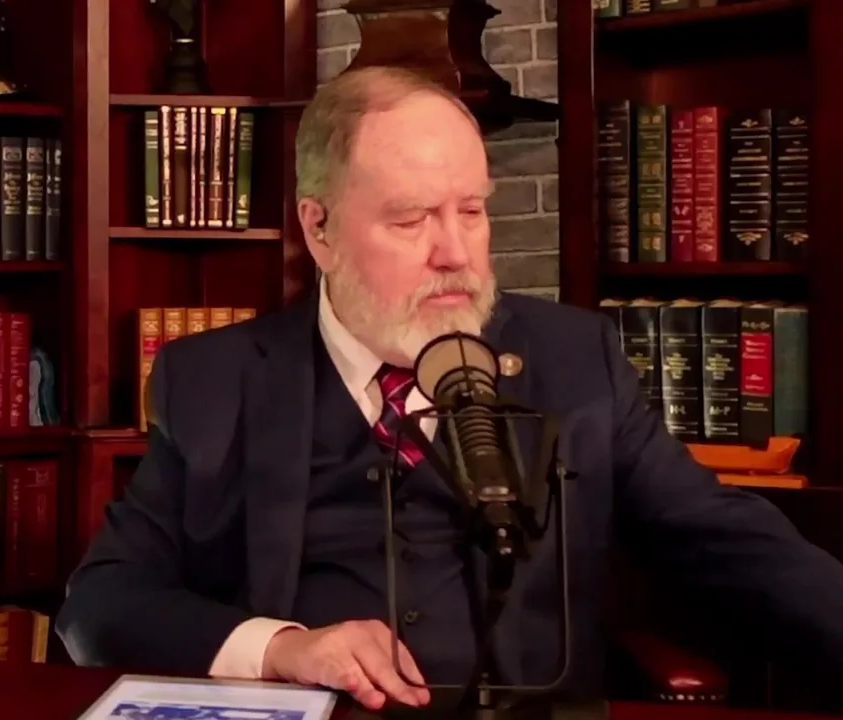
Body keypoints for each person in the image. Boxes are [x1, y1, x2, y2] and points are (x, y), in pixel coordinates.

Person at [55, 66, 843, 710]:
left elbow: (725, 539)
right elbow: (100, 606)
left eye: (472, 211)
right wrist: (285, 648)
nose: (456, 252)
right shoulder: (215, 378)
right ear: (317, 229)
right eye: (411, 220)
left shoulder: (574, 359)